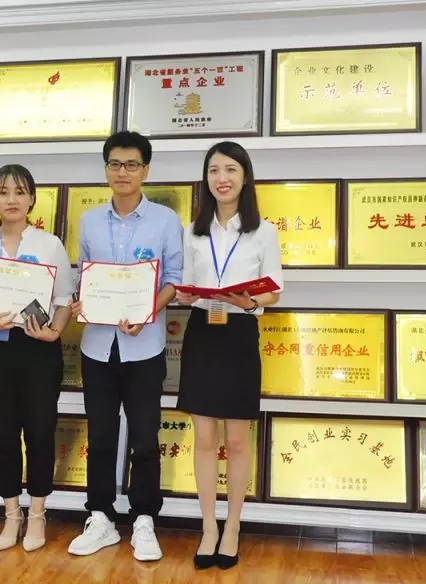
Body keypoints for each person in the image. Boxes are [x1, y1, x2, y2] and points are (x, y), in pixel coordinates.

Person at [67, 131, 184, 562]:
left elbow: (174, 280)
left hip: (145, 347)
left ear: (145, 171)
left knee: (145, 438)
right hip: (98, 346)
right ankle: (100, 517)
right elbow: (84, 275)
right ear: (106, 169)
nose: (123, 172)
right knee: (100, 436)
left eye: (132, 164)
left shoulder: (165, 221)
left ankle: (144, 519)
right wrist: (80, 300)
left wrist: (147, 310)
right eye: (115, 164)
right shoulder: (89, 221)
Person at [175, 141, 283, 571]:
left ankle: (233, 525)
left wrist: (248, 301)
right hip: (202, 332)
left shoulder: (264, 231)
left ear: (245, 176)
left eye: (230, 170)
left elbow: (273, 291)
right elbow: (185, 285)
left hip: (239, 333)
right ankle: (208, 527)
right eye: (214, 170)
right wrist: (185, 295)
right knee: (204, 440)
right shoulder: (193, 231)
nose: (222, 178)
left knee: (237, 442)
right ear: (206, 179)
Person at [0, 164, 73, 552]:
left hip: (38, 349)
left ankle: (38, 513)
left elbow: (64, 299)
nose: (12, 199)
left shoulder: (49, 245)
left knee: (40, 433)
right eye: (4, 192)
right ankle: (11, 514)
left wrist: (55, 331)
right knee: (4, 435)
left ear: (32, 199)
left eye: (20, 192)